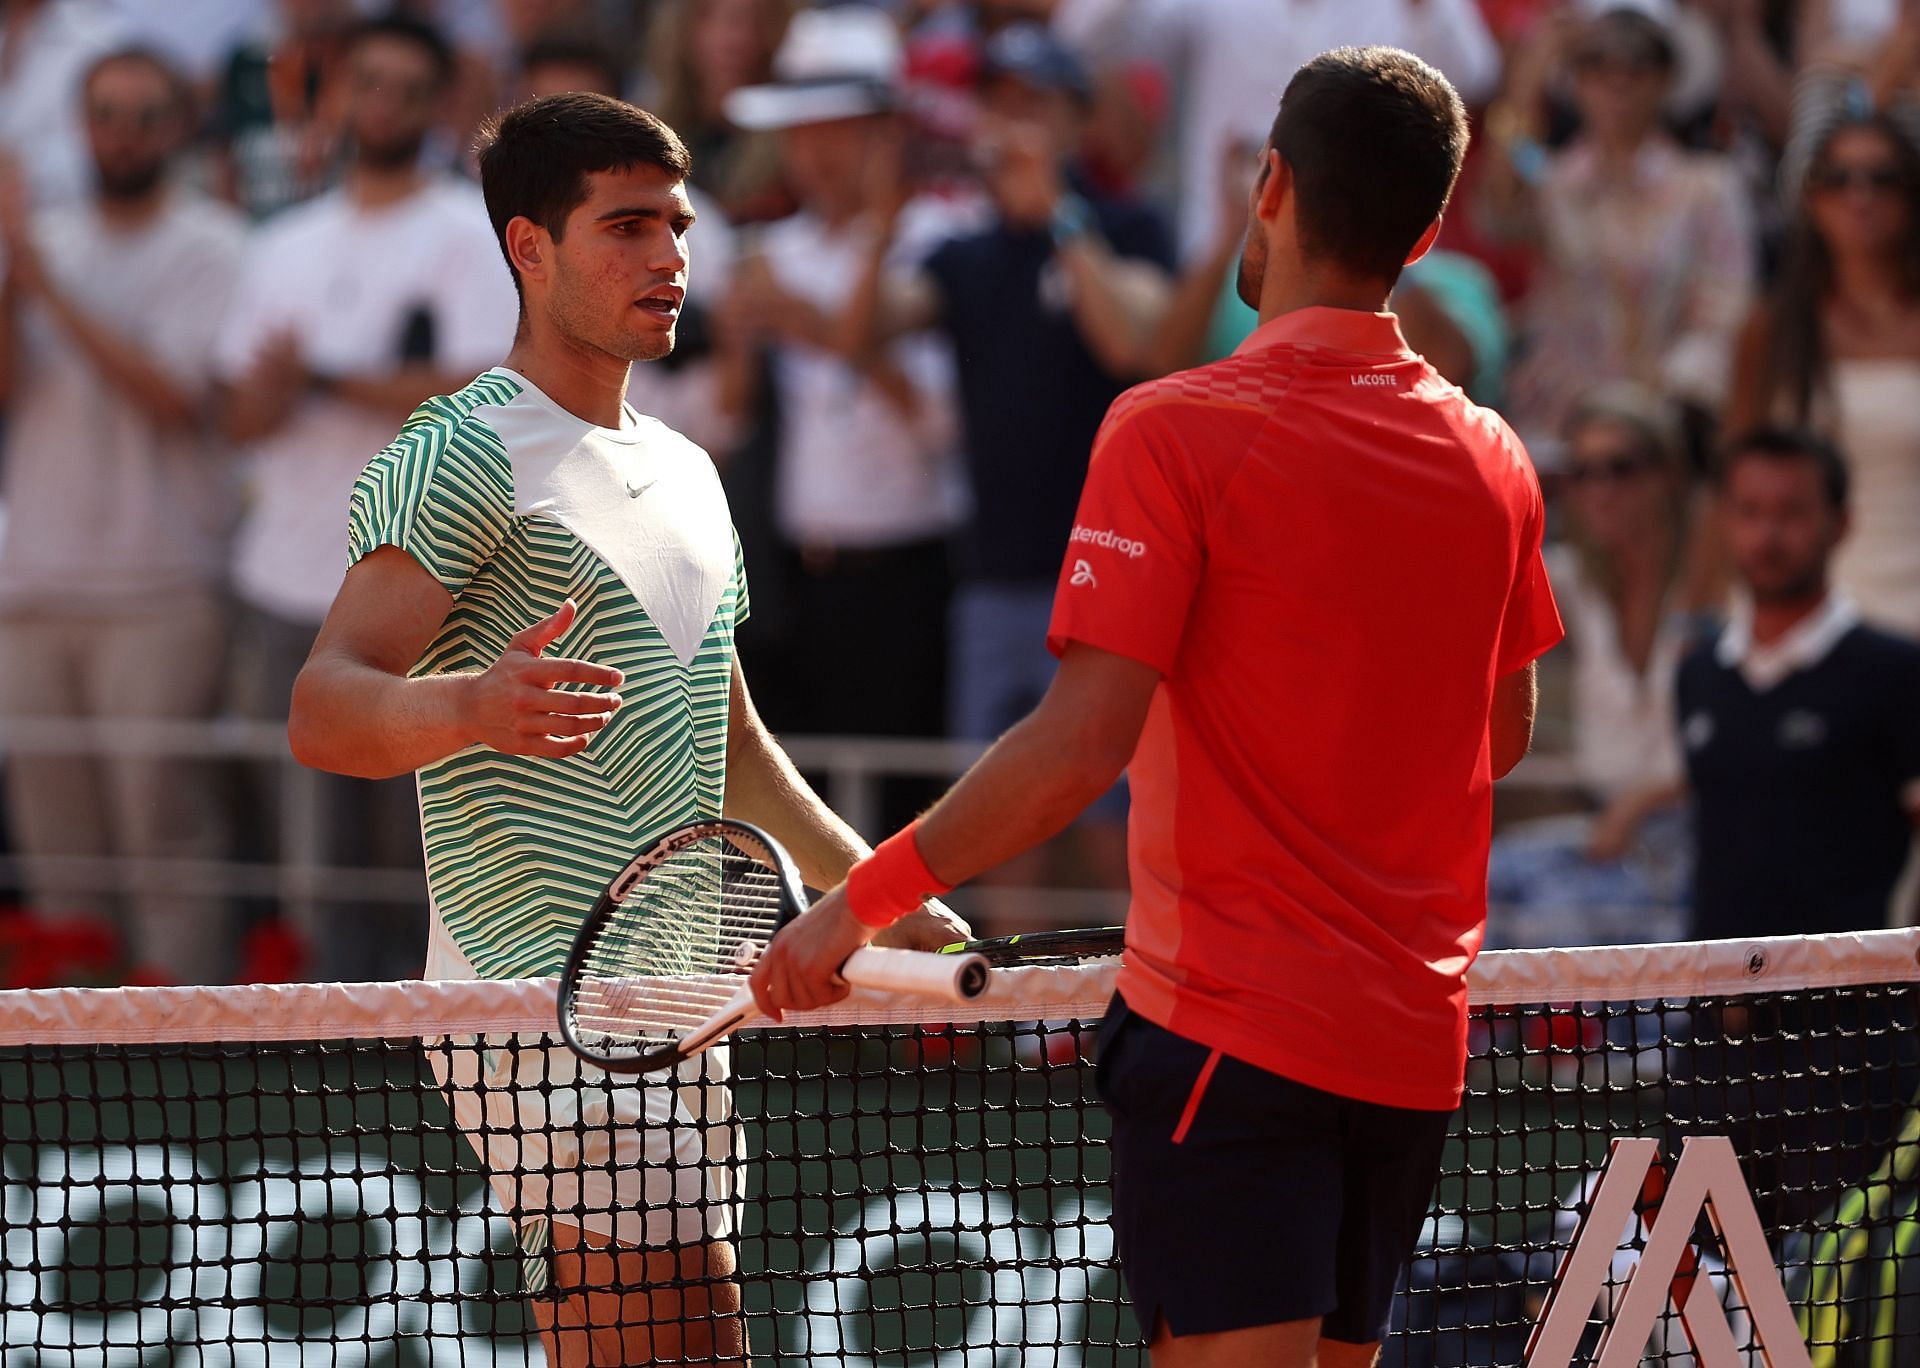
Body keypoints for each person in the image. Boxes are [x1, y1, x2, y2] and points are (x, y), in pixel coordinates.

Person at [755, 46, 1562, 1368]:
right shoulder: (1494, 456)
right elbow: (1503, 734)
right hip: (1410, 1054)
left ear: (1270, 185)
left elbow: (1078, 750)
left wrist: (860, 901)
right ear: (1424, 234)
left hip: (1228, 1048)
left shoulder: (1171, 428)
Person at [285, 91, 965, 1368]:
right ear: (527, 249)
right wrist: (467, 705)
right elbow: (325, 706)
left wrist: (869, 885)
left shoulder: (691, 468)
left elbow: (737, 750)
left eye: (681, 226)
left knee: (697, 1350)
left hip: (677, 998)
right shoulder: (460, 450)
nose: (669, 258)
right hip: (532, 1001)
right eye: (628, 226)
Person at [842, 22, 1173, 919]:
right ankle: (1021, 1047)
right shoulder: (962, 253)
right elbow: (862, 334)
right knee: (997, 829)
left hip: (1110, 578)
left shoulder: (1129, 226)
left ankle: (1140, 1017)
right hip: (991, 575)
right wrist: (882, 218)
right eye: (998, 103)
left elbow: (1132, 341)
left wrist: (1057, 215)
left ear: (1075, 120)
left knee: (1118, 827)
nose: (1010, 123)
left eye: (1031, 104)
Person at [214, 13, 516, 980]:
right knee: (311, 857)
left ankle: (418, 1051)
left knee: (417, 855)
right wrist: (273, 393)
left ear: (437, 106)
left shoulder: (466, 233)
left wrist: (323, 380)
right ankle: (331, 1066)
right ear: (340, 95)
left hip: (424, 589)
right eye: (368, 83)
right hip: (282, 578)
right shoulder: (283, 241)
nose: (382, 104)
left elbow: (478, 387)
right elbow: (239, 413)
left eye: (405, 88)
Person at [0, 47, 245, 983]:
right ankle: (78, 1069)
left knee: (163, 830)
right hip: (33, 582)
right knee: (57, 842)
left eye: (146, 114)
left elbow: (176, 399)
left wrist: (47, 288)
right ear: (80, 125)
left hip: (162, 585)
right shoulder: (41, 242)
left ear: (179, 128)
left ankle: (187, 1056)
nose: (124, 133)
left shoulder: (214, 244)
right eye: (106, 113)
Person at [715, 4, 970, 791]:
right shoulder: (768, 250)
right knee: (804, 808)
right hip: (790, 577)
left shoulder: (944, 240)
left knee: (903, 805)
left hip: (910, 572)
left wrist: (813, 324)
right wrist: (741, 341)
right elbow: (727, 416)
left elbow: (941, 424)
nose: (816, 152)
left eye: (840, 127)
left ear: (887, 134)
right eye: (801, 130)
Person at [1480, 6, 1755, 465]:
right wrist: (1529, 80)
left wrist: (1658, 407)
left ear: (1666, 80)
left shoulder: (1707, 188)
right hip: (1560, 431)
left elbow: (1725, 309)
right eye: (1594, 65)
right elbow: (1497, 211)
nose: (1616, 82)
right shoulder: (1554, 186)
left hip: (1670, 434)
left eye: (1637, 66)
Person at [1679, 428, 1920, 943]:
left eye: (1791, 513)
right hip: (1714, 1011)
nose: (1767, 536)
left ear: (1841, 524)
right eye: (1749, 511)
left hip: (1854, 1014)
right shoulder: (1696, 675)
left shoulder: (1896, 672)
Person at [1484, 385, 1695, 950]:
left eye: (1619, 468)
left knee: (1550, 921)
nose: (1599, 491)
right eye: (1581, 473)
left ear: (1667, 475)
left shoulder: (1716, 590)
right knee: (1482, 890)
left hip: (1692, 834)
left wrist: (1639, 805)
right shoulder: (1574, 582)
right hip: (1602, 830)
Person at [1726, 115, 1920, 640]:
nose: (1860, 196)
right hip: (1800, 618)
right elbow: (1735, 481)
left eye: (1882, 178)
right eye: (1839, 178)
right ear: (1812, 199)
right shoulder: (1771, 330)